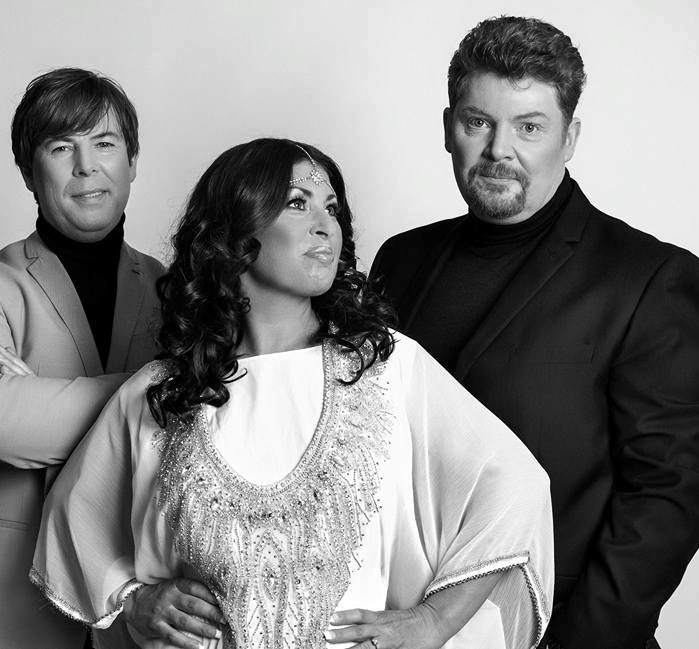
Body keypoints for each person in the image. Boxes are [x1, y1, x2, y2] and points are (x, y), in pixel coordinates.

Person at [30, 138, 555, 649]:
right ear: (235, 232)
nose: (326, 225)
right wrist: (135, 601)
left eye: (332, 208)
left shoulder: (385, 367)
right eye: (298, 204)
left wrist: (434, 621)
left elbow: (515, 486)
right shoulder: (163, 393)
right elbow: (75, 519)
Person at [369, 17, 699, 649]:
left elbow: (671, 495)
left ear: (570, 138)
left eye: (529, 127)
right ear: (449, 127)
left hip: (558, 632)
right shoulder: (400, 261)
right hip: (402, 626)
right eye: (478, 122)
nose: (499, 150)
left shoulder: (650, 278)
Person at [0, 68, 165, 649]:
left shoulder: (174, 291)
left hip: (136, 614)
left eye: (104, 144)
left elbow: (205, 429)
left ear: (132, 160)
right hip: (5, 616)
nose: (86, 167)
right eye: (61, 148)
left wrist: (39, 398)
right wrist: (157, 388)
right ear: (29, 172)